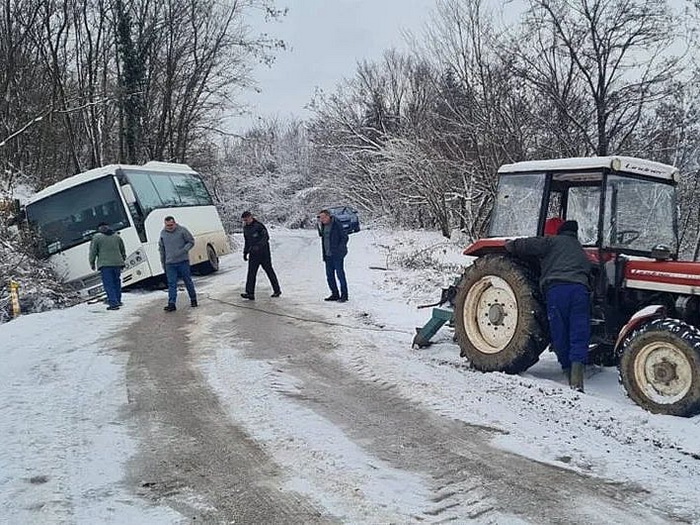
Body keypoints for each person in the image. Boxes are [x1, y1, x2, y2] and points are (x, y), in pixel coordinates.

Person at [504, 220, 591, 392]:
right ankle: (577, 378)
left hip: (558, 291)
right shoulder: (580, 249)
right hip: (580, 292)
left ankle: (567, 371)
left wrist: (511, 245)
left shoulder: (553, 241)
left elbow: (529, 245)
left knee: (559, 332)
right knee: (579, 332)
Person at [159, 216, 197, 312]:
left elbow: (191, 241)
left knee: (187, 281)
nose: (170, 227)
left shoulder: (182, 230)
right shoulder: (163, 234)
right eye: (167, 225)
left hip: (182, 261)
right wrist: (163, 263)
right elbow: (162, 249)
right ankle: (171, 304)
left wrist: (184, 250)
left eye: (171, 225)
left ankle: (193, 299)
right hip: (170, 263)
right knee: (172, 284)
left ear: (175, 223)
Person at [240, 211, 282, 300]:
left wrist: (258, 246)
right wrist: (245, 252)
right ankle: (250, 293)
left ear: (250, 217)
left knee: (269, 271)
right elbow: (247, 241)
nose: (245, 221)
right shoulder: (246, 228)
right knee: (251, 273)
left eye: (246, 219)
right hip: (253, 254)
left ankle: (277, 290)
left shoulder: (259, 226)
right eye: (244, 220)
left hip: (264, 253)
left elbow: (266, 237)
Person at [89, 222, 126, 310]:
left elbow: (93, 251)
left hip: (105, 265)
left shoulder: (97, 237)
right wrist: (122, 259)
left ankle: (113, 303)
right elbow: (122, 250)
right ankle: (118, 300)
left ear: (99, 228)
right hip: (117, 263)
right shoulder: (117, 236)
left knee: (109, 284)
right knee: (117, 282)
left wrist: (92, 262)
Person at [318, 209, 349, 302]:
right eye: (320, 218)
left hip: (337, 255)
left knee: (340, 274)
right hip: (328, 255)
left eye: (323, 217)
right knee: (329, 276)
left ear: (328, 216)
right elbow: (323, 237)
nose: (321, 219)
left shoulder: (336, 224)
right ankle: (334, 293)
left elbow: (345, 237)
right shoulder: (323, 225)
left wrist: (340, 249)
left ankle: (344, 295)